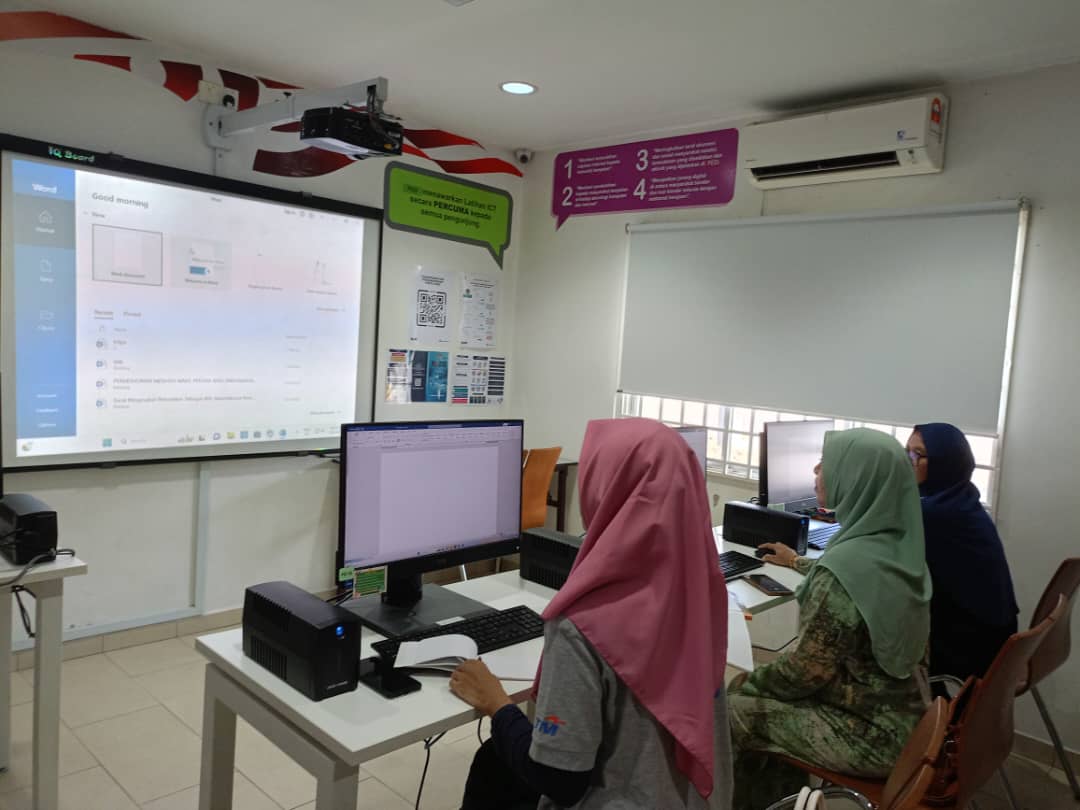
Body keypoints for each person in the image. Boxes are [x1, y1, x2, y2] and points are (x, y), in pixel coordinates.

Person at [448, 418, 733, 810]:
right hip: (698, 801)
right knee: (494, 762)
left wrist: (496, 702)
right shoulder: (703, 595)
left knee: (497, 761)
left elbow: (560, 781)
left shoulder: (584, 624)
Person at [728, 428, 931, 810]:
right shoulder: (896, 547)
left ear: (857, 478)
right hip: (908, 721)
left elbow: (802, 674)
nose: (818, 470)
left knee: (731, 709)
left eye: (828, 464)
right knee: (762, 698)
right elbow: (850, 576)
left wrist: (744, 684)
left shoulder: (843, 573)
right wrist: (798, 562)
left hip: (869, 736)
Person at [907, 423, 1018, 680]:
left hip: (970, 647)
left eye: (917, 454)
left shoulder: (935, 514)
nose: (908, 461)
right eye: (906, 452)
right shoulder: (960, 495)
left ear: (945, 462)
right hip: (995, 634)